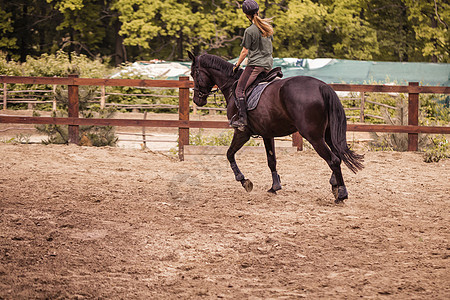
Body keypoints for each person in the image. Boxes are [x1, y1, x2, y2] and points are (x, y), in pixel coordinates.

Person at [231, 0, 274, 131]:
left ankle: (243, 120)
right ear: (258, 11)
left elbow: (245, 51)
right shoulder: (267, 28)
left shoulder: (250, 30)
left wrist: (236, 65)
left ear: (246, 15)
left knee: (239, 90)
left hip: (255, 66)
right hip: (268, 66)